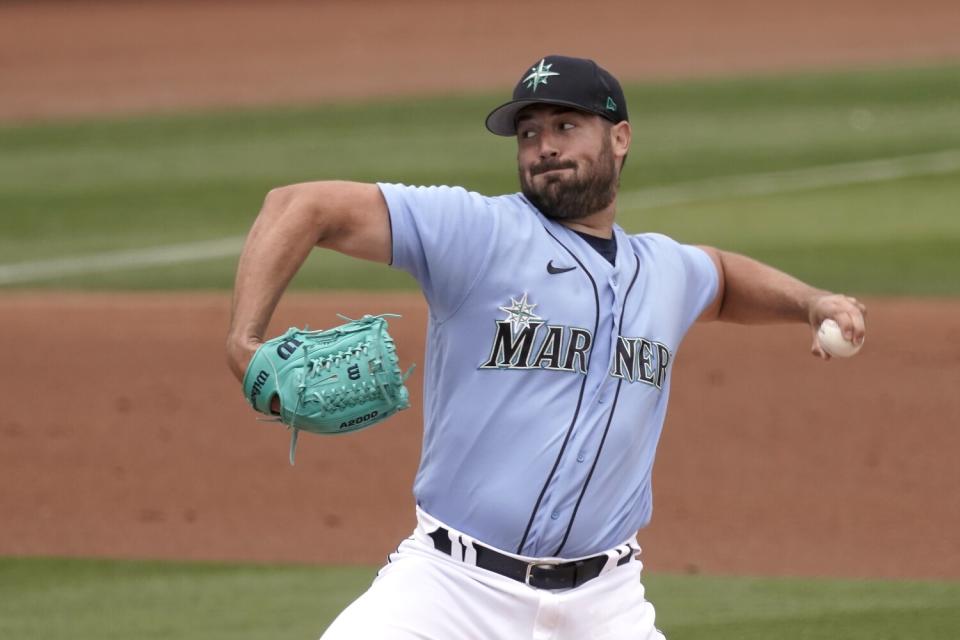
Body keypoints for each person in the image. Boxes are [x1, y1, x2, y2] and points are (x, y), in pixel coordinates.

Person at [226, 54, 867, 639]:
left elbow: (723, 280)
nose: (544, 148)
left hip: (606, 604)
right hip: (451, 591)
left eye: (566, 127)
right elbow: (298, 206)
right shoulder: (478, 232)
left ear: (620, 137)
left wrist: (810, 302)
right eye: (529, 133)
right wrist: (244, 341)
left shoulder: (663, 270)